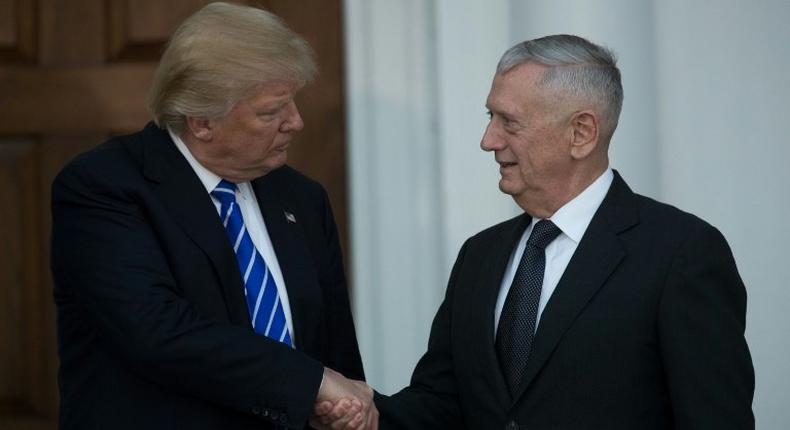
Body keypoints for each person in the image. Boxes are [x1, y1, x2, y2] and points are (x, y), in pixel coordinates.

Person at [322, 34, 755, 429]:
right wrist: (370, 413)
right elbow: (442, 402)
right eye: (490, 117)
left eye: (509, 122)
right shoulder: (481, 255)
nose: (488, 140)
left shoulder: (680, 253)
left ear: (581, 133)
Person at [50, 3, 376, 429]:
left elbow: (335, 348)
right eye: (270, 111)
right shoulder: (105, 187)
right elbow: (158, 332)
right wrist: (311, 382)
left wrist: (350, 409)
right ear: (202, 121)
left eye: (292, 102)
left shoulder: (301, 197)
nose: (295, 122)